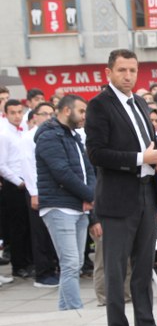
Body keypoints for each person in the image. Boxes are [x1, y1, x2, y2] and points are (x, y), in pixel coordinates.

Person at [85, 49, 157, 326]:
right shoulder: (99, 105)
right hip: (116, 200)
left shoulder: (139, 102)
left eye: (133, 70)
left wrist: (156, 163)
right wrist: (141, 159)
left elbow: (148, 147)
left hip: (145, 193)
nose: (128, 76)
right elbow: (96, 154)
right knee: (116, 271)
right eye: (122, 70)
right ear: (108, 72)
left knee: (143, 267)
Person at [35, 95, 96, 310]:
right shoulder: (49, 137)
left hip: (78, 206)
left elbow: (88, 170)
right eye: (81, 111)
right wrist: (90, 195)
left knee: (76, 263)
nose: (84, 116)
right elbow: (62, 173)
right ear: (67, 110)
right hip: (59, 207)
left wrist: (91, 194)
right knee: (70, 263)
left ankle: (65, 310)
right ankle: (74, 310)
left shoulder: (73, 136)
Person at [19, 102, 60, 288]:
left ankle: (53, 268)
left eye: (51, 113)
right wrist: (34, 193)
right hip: (37, 190)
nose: (48, 117)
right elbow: (28, 167)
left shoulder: (54, 134)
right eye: (44, 114)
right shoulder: (28, 137)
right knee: (40, 233)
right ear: (34, 116)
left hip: (54, 189)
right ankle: (43, 273)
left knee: (52, 232)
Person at [0, 99, 34, 279]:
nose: (17, 116)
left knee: (28, 225)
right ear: (5, 114)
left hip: (27, 182)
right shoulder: (4, 135)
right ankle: (18, 264)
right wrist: (18, 181)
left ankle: (28, 261)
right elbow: (2, 165)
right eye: (12, 112)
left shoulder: (24, 132)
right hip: (14, 185)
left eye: (19, 112)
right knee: (17, 227)